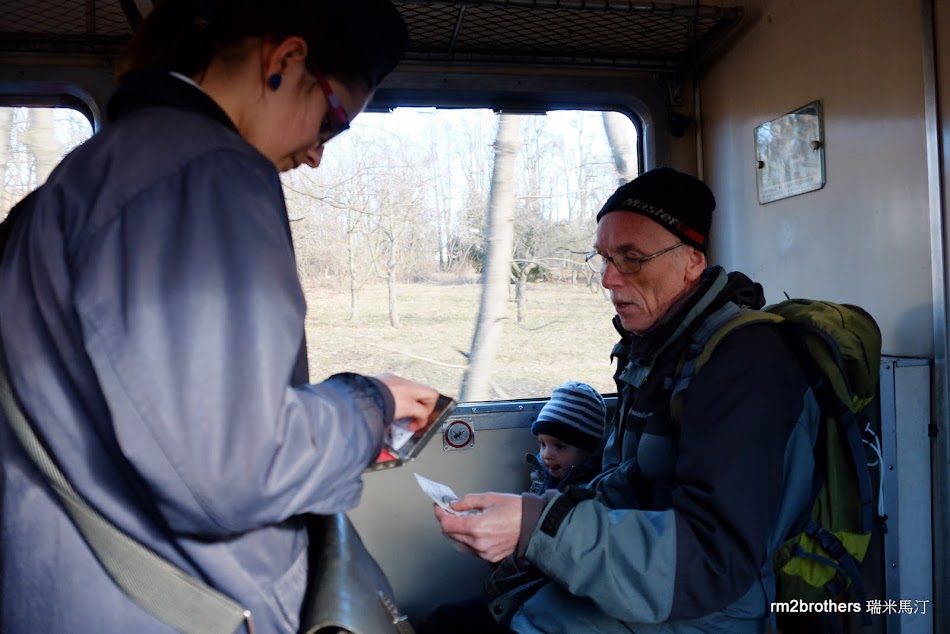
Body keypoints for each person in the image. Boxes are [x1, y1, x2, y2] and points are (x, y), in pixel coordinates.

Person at [0, 1, 439, 633]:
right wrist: (367, 406)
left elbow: (169, 409)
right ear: (285, 61)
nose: (318, 154)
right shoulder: (211, 173)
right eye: (333, 120)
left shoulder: (83, 178)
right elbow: (232, 468)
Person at [424, 167, 820, 633]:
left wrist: (538, 530)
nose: (609, 279)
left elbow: (713, 563)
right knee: (448, 622)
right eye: (605, 258)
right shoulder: (659, 349)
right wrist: (536, 519)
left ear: (692, 261)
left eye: (631, 257)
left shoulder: (745, 362)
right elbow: (633, 483)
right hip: (638, 590)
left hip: (705, 612)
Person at [525, 380, 605, 495]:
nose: (547, 455)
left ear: (588, 449)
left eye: (559, 446)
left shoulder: (588, 488)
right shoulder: (541, 474)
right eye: (543, 444)